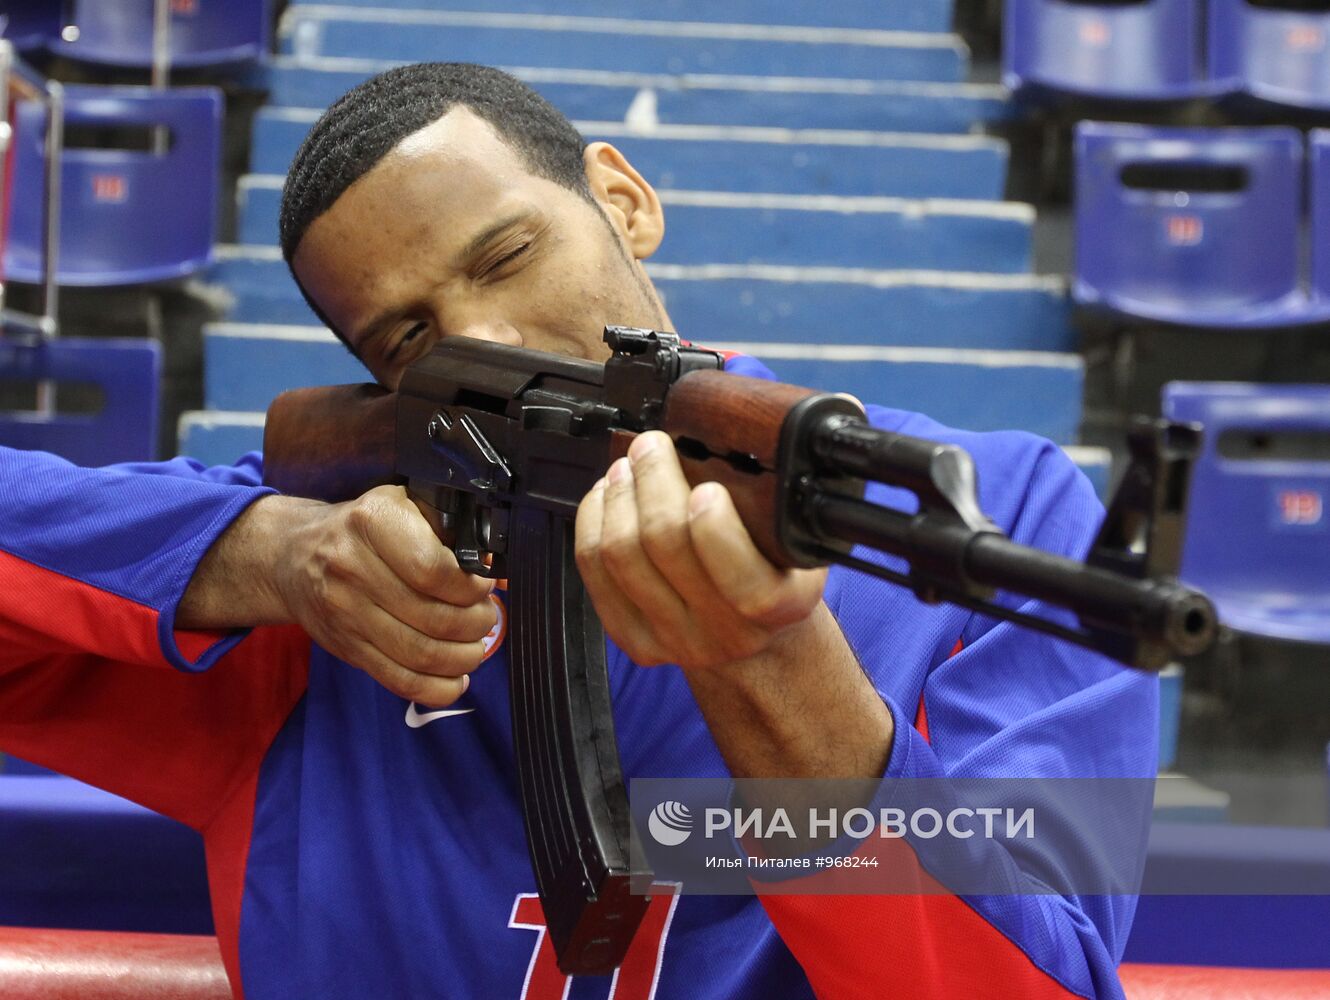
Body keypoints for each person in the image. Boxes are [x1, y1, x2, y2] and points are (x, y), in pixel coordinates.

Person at [0, 63, 1154, 999]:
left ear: (624, 200)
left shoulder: (1011, 511)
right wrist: (270, 556)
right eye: (409, 340)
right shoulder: (340, 574)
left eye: (506, 255)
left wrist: (773, 671)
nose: (493, 337)